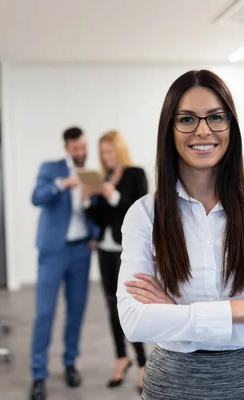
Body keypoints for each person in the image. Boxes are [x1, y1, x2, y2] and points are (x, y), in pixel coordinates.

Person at [117, 70, 244, 400]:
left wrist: (175, 312)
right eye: (187, 119)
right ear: (170, 129)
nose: (203, 130)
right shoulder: (144, 215)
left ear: (231, 126)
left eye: (216, 117)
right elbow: (135, 322)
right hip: (170, 386)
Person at [29, 127, 97, 400]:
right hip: (53, 251)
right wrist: (64, 183)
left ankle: (70, 363)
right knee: (45, 313)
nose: (80, 153)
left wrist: (93, 233)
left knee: (76, 311)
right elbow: (36, 197)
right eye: (75, 149)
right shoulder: (51, 168)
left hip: (81, 251)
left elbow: (95, 212)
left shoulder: (91, 174)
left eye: (83, 148)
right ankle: (38, 374)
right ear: (67, 148)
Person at [82, 130, 148, 391]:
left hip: (126, 250)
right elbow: (101, 218)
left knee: (129, 306)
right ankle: (121, 358)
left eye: (109, 151)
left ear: (119, 150)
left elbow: (140, 209)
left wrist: (113, 195)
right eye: (103, 153)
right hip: (105, 248)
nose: (106, 157)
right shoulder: (104, 177)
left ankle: (143, 364)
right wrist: (88, 201)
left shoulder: (135, 174)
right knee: (111, 306)